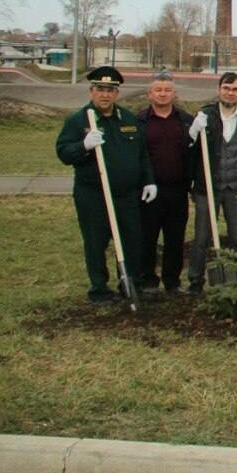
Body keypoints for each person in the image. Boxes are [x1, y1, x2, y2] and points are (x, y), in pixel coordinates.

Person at [55, 66, 156, 303]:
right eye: (100, 89)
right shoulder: (79, 121)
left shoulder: (129, 119)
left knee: (132, 239)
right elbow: (63, 153)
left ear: (117, 93)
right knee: (96, 241)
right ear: (91, 91)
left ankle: (129, 282)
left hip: (126, 194)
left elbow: (142, 155)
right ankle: (99, 289)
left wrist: (149, 181)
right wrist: (83, 146)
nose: (105, 95)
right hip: (93, 195)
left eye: (110, 90)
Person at [186, 71, 237, 294]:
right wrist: (193, 133)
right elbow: (187, 150)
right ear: (219, 90)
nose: (230, 93)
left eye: (235, 89)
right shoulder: (204, 116)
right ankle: (195, 282)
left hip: (236, 187)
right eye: (226, 88)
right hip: (208, 187)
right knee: (202, 236)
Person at [136, 71, 194, 293]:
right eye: (158, 90)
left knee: (175, 238)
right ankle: (148, 280)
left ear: (174, 93)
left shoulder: (185, 120)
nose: (163, 94)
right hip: (149, 191)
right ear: (150, 94)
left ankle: (172, 281)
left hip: (177, 190)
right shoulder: (139, 121)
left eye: (167, 90)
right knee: (147, 237)